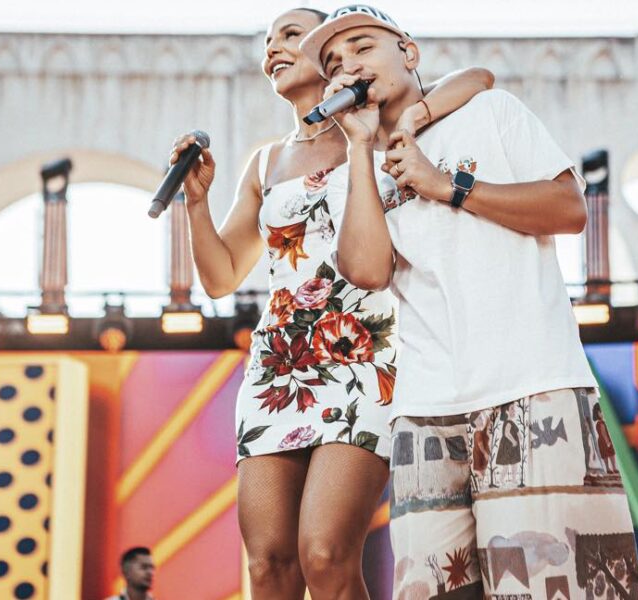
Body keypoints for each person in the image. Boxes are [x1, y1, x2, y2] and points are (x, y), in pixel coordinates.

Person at [301, 5, 638, 598]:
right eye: (333, 63)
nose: (347, 66)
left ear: (408, 51)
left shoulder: (491, 112)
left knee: (553, 585)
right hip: (425, 410)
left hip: (532, 386)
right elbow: (368, 270)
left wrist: (447, 185)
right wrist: (359, 148)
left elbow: (568, 210)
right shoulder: (351, 177)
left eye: (362, 47)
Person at [169, 7, 494, 598]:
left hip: (365, 355)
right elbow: (220, 278)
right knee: (268, 564)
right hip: (277, 366)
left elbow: (478, 78)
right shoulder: (266, 162)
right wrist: (196, 203)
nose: (273, 49)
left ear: (329, 53)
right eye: (267, 42)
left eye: (291, 35)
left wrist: (405, 118)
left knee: (324, 554)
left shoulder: (382, 125)